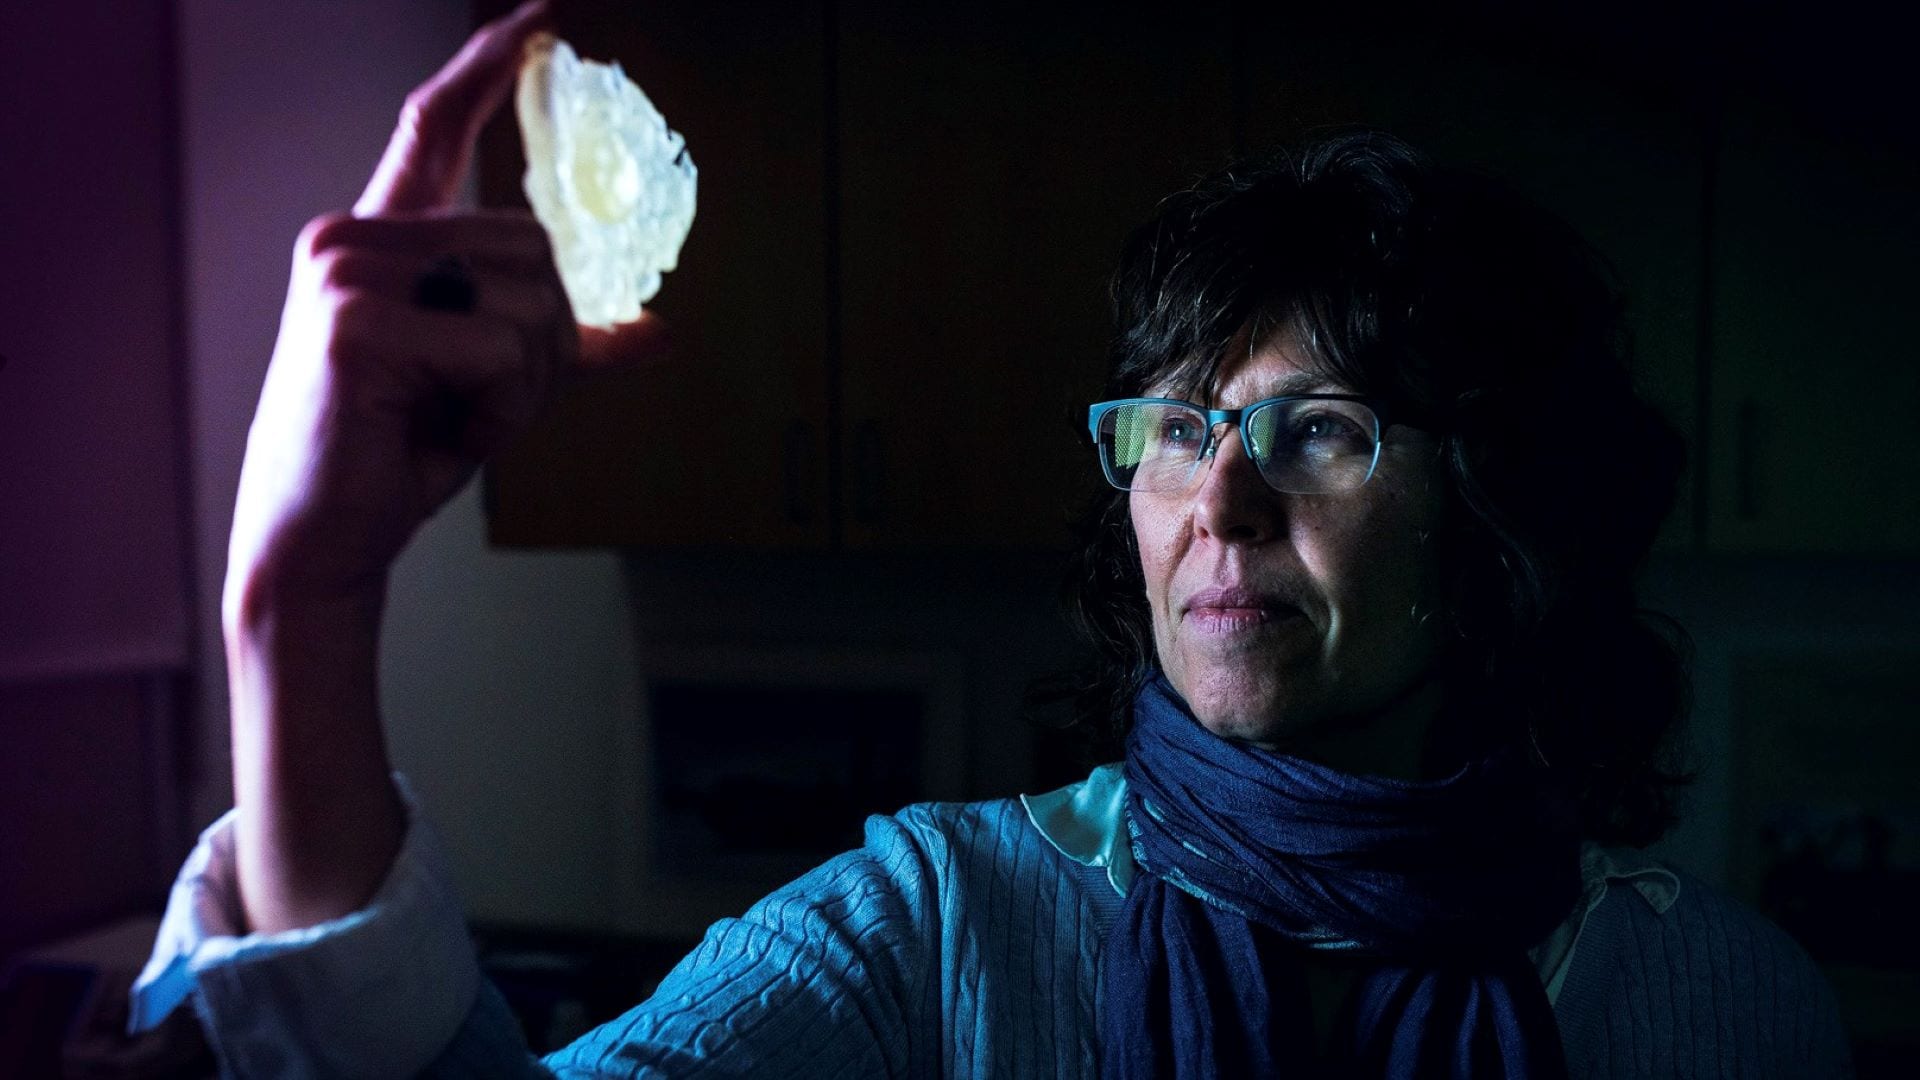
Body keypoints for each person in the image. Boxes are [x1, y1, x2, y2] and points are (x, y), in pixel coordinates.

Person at [130, 3, 1852, 1076]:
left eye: (1316, 429)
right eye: (1178, 425)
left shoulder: (1728, 1010)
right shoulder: (932, 925)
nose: (1220, 500)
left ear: (1500, 508)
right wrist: (304, 606)